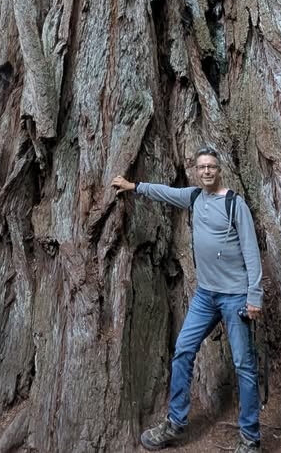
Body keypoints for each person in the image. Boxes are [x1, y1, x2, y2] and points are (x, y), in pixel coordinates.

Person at [112, 147, 263, 452]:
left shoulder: (235, 204)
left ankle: (250, 438)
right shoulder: (194, 197)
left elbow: (251, 250)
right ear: (195, 170)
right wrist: (134, 186)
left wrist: (254, 296)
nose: (206, 171)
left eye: (211, 167)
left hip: (235, 296)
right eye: (202, 167)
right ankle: (175, 422)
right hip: (205, 295)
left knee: (243, 365)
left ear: (219, 170)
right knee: (183, 350)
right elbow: (165, 193)